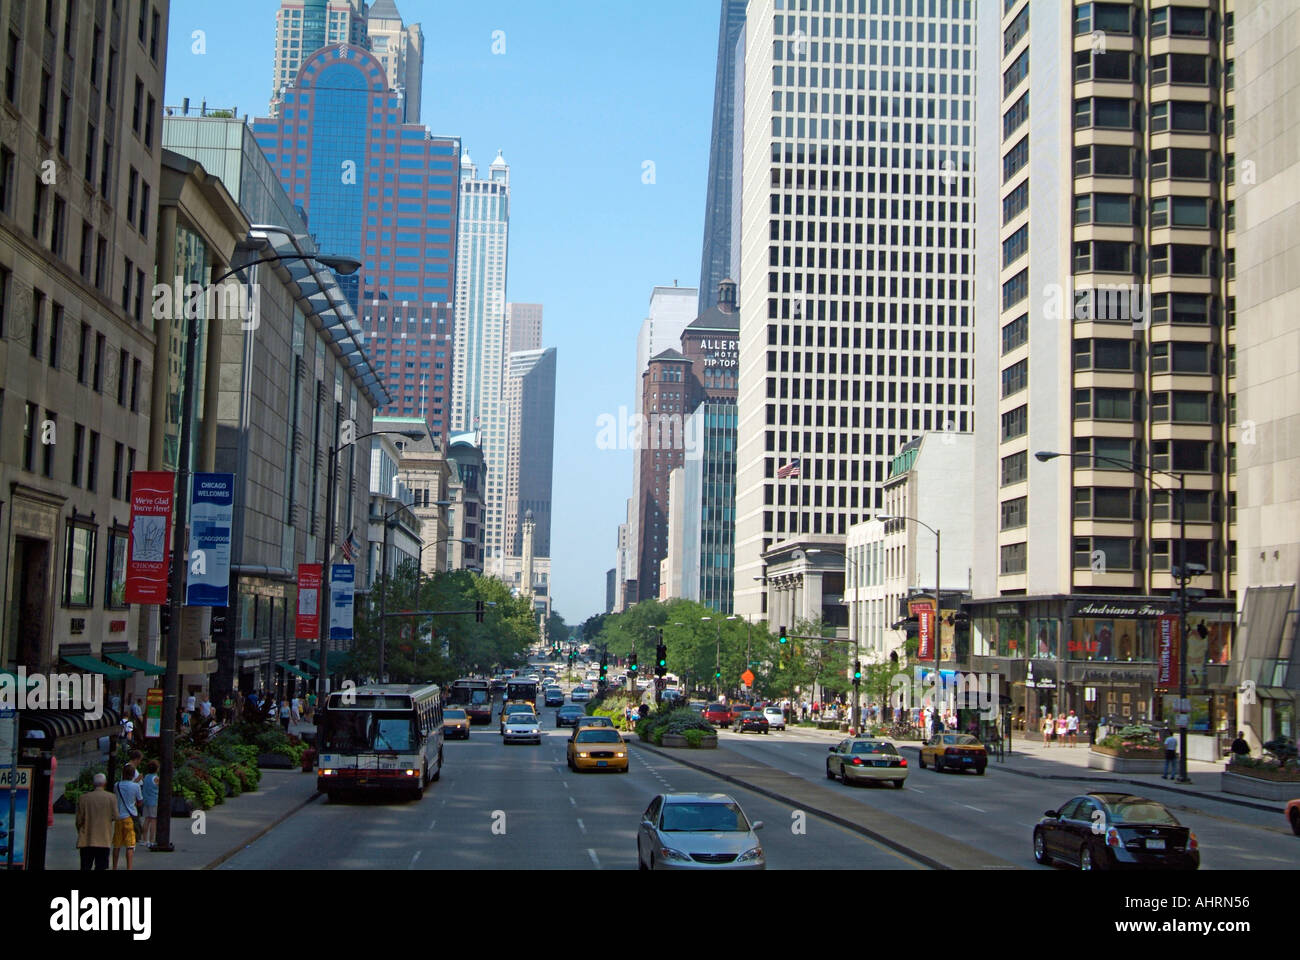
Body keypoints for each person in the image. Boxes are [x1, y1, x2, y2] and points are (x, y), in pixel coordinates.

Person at [76, 772, 116, 871]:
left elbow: (79, 820)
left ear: (93, 784)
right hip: (104, 838)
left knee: (85, 866)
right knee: (101, 866)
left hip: (87, 838)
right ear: (105, 783)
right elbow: (115, 816)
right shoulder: (111, 798)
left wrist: (80, 831)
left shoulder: (84, 798)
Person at [112, 764, 144, 870]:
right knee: (130, 845)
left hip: (119, 817)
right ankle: (129, 868)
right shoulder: (136, 786)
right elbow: (140, 802)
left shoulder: (117, 785)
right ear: (133, 775)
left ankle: (114, 867)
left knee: (116, 844)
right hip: (130, 818)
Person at [140, 760, 160, 848]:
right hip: (154, 801)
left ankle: (144, 839)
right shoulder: (156, 778)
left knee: (146, 820)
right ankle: (152, 840)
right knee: (153, 820)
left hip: (146, 800)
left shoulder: (146, 777)